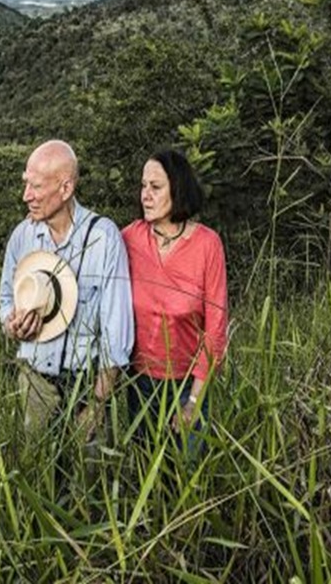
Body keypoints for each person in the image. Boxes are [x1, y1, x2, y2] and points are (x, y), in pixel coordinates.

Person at [0, 139, 134, 440]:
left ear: (66, 188)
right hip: (34, 382)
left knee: (90, 478)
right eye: (25, 184)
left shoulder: (104, 238)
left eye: (35, 186)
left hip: (89, 386)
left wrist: (98, 403)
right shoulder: (22, 236)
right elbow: (6, 301)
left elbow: (117, 331)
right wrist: (12, 325)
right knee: (40, 477)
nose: (26, 196)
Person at [121, 148, 228, 453]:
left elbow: (216, 327)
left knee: (187, 474)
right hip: (139, 383)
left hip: (190, 381)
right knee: (145, 471)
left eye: (155, 188)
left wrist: (193, 401)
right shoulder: (129, 238)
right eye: (143, 186)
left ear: (177, 190)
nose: (145, 195)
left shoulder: (207, 245)